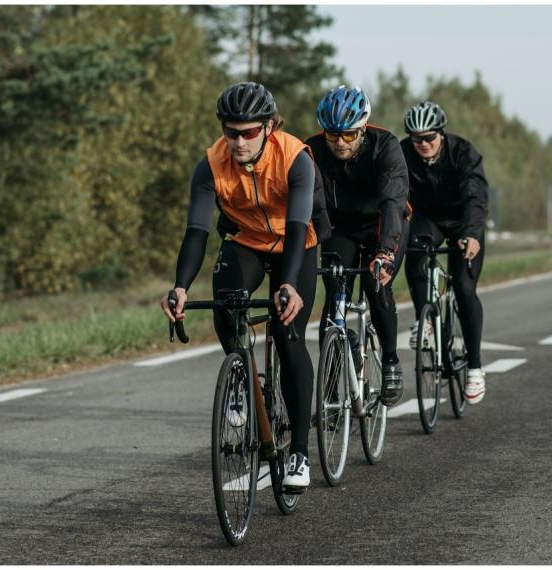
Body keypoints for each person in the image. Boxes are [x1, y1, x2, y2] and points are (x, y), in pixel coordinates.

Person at [160, 82, 331, 490]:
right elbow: (197, 232)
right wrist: (181, 286)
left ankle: (301, 454)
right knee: (226, 303)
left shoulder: (295, 159)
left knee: (288, 334)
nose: (238, 141)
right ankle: (242, 378)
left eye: (249, 132)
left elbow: (295, 226)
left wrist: (287, 284)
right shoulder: (210, 164)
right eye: (230, 131)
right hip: (247, 241)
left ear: (269, 127)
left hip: (296, 243)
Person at [305, 85, 410, 407]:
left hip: (383, 224)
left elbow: (393, 202)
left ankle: (390, 360)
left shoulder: (386, 146)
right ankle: (331, 396)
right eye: (333, 135)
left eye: (349, 135)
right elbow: (305, 205)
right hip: (340, 227)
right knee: (334, 297)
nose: (339, 143)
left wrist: (385, 252)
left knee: (376, 285)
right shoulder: (312, 150)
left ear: (363, 129)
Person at [401, 101, 489, 404]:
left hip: (464, 220)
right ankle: (425, 319)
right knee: (413, 247)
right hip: (430, 220)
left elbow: (476, 197)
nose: (423, 144)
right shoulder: (403, 153)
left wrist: (472, 235)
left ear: (441, 134)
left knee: (464, 288)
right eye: (417, 139)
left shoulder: (463, 152)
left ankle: (475, 367)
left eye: (429, 138)